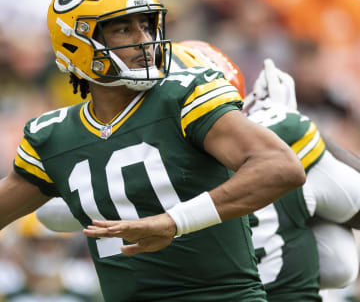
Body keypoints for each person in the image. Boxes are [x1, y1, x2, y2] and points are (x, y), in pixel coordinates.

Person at [0, 0, 305, 302]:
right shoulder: (53, 135)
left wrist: (174, 222)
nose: (144, 40)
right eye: (123, 29)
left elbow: (281, 167)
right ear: (76, 43)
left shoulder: (183, 95)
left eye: (146, 26)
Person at [36, 40, 360, 301]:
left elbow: (51, 213)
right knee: (339, 262)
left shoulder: (131, 163)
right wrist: (300, 128)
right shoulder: (280, 135)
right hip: (273, 290)